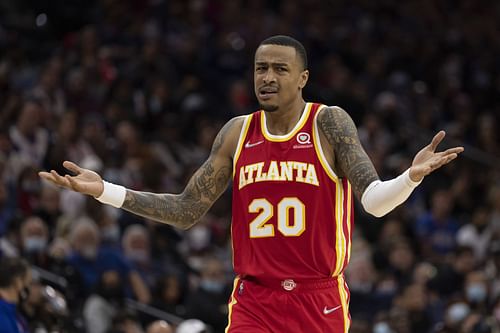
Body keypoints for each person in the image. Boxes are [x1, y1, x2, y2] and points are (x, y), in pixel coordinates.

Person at [39, 35, 464, 332]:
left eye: (281, 68)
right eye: (261, 68)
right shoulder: (236, 132)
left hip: (318, 298)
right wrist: (104, 190)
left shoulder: (328, 122)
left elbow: (372, 201)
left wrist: (409, 177)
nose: (268, 77)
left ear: (303, 78)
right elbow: (186, 210)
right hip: (254, 300)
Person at [0, 257, 32, 333]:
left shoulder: (15, 314)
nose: (29, 289)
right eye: (29, 283)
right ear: (18, 282)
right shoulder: (2, 317)